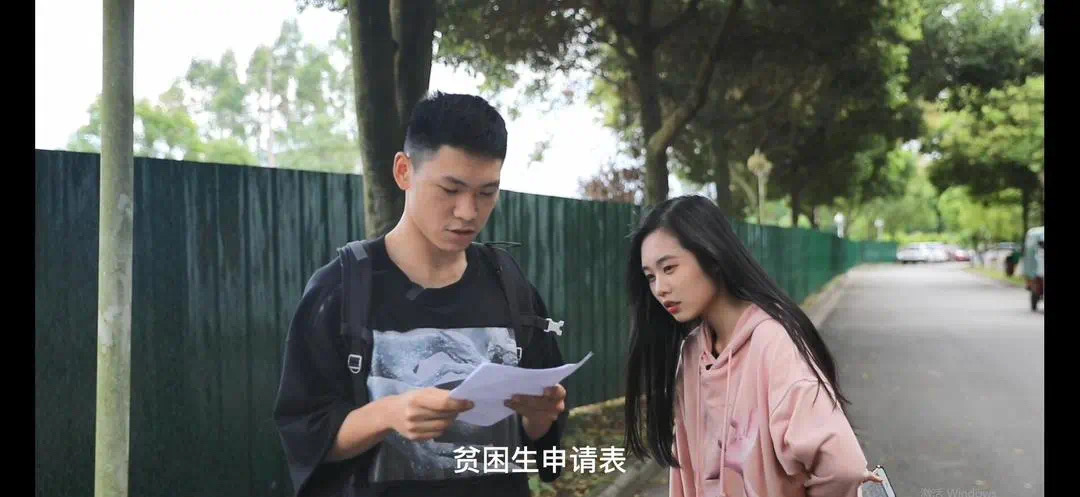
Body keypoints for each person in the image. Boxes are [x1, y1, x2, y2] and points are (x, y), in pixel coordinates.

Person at [273, 92, 568, 497]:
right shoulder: (339, 291)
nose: (468, 212)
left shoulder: (510, 287)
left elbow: (541, 449)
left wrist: (541, 418)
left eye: (486, 192)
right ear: (403, 171)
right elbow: (305, 435)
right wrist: (388, 413)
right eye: (450, 189)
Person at [622, 195, 882, 497]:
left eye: (669, 269)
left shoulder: (773, 345)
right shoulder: (692, 353)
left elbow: (843, 467)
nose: (659, 288)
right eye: (650, 277)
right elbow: (686, 472)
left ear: (711, 256)